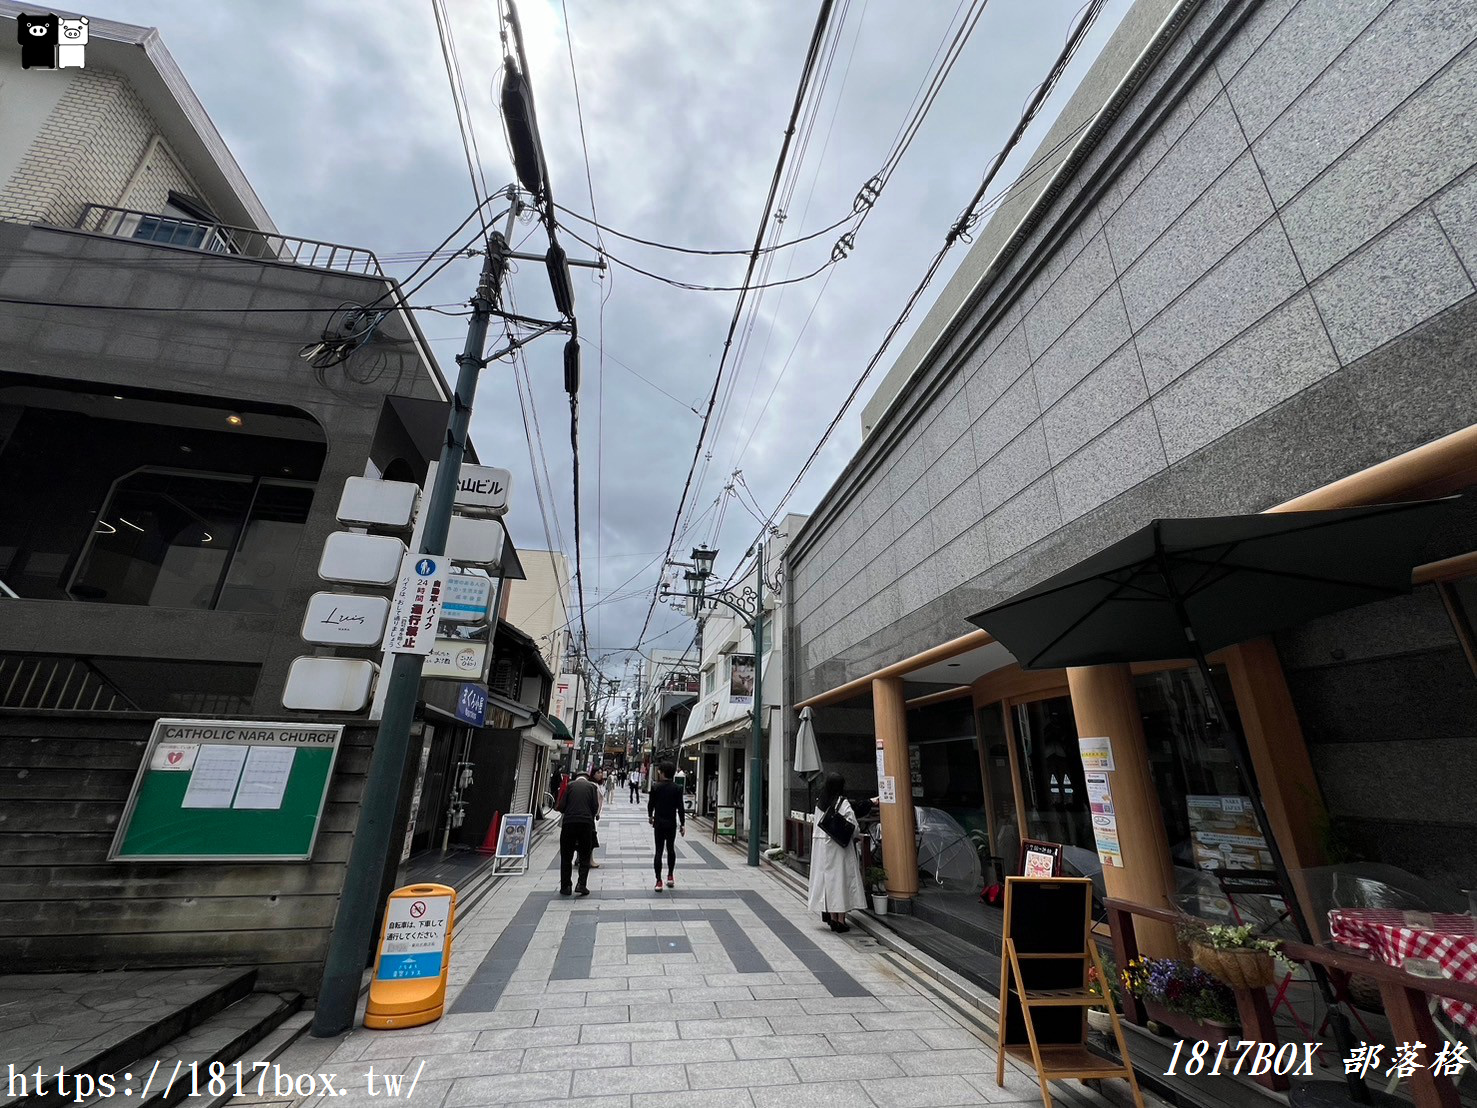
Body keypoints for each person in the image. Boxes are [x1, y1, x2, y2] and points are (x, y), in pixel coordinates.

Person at [808, 771, 867, 932]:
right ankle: (841, 920)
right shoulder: (842, 802)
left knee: (829, 883)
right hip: (839, 846)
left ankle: (833, 918)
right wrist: (856, 837)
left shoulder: (820, 803)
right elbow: (853, 825)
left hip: (821, 848)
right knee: (841, 882)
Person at [555, 770, 600, 896]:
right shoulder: (592, 787)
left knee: (566, 856)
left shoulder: (570, 785)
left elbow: (562, 806)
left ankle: (566, 886)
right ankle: (581, 884)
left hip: (569, 823)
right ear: (587, 778)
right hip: (585, 824)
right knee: (585, 855)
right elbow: (595, 807)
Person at [647, 761, 685, 892]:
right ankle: (670, 875)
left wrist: (650, 816)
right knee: (671, 849)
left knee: (658, 851)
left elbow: (650, 804)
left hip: (659, 822)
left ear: (663, 773)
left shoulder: (656, 787)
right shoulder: (677, 788)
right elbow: (680, 807)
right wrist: (683, 824)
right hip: (671, 823)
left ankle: (658, 880)